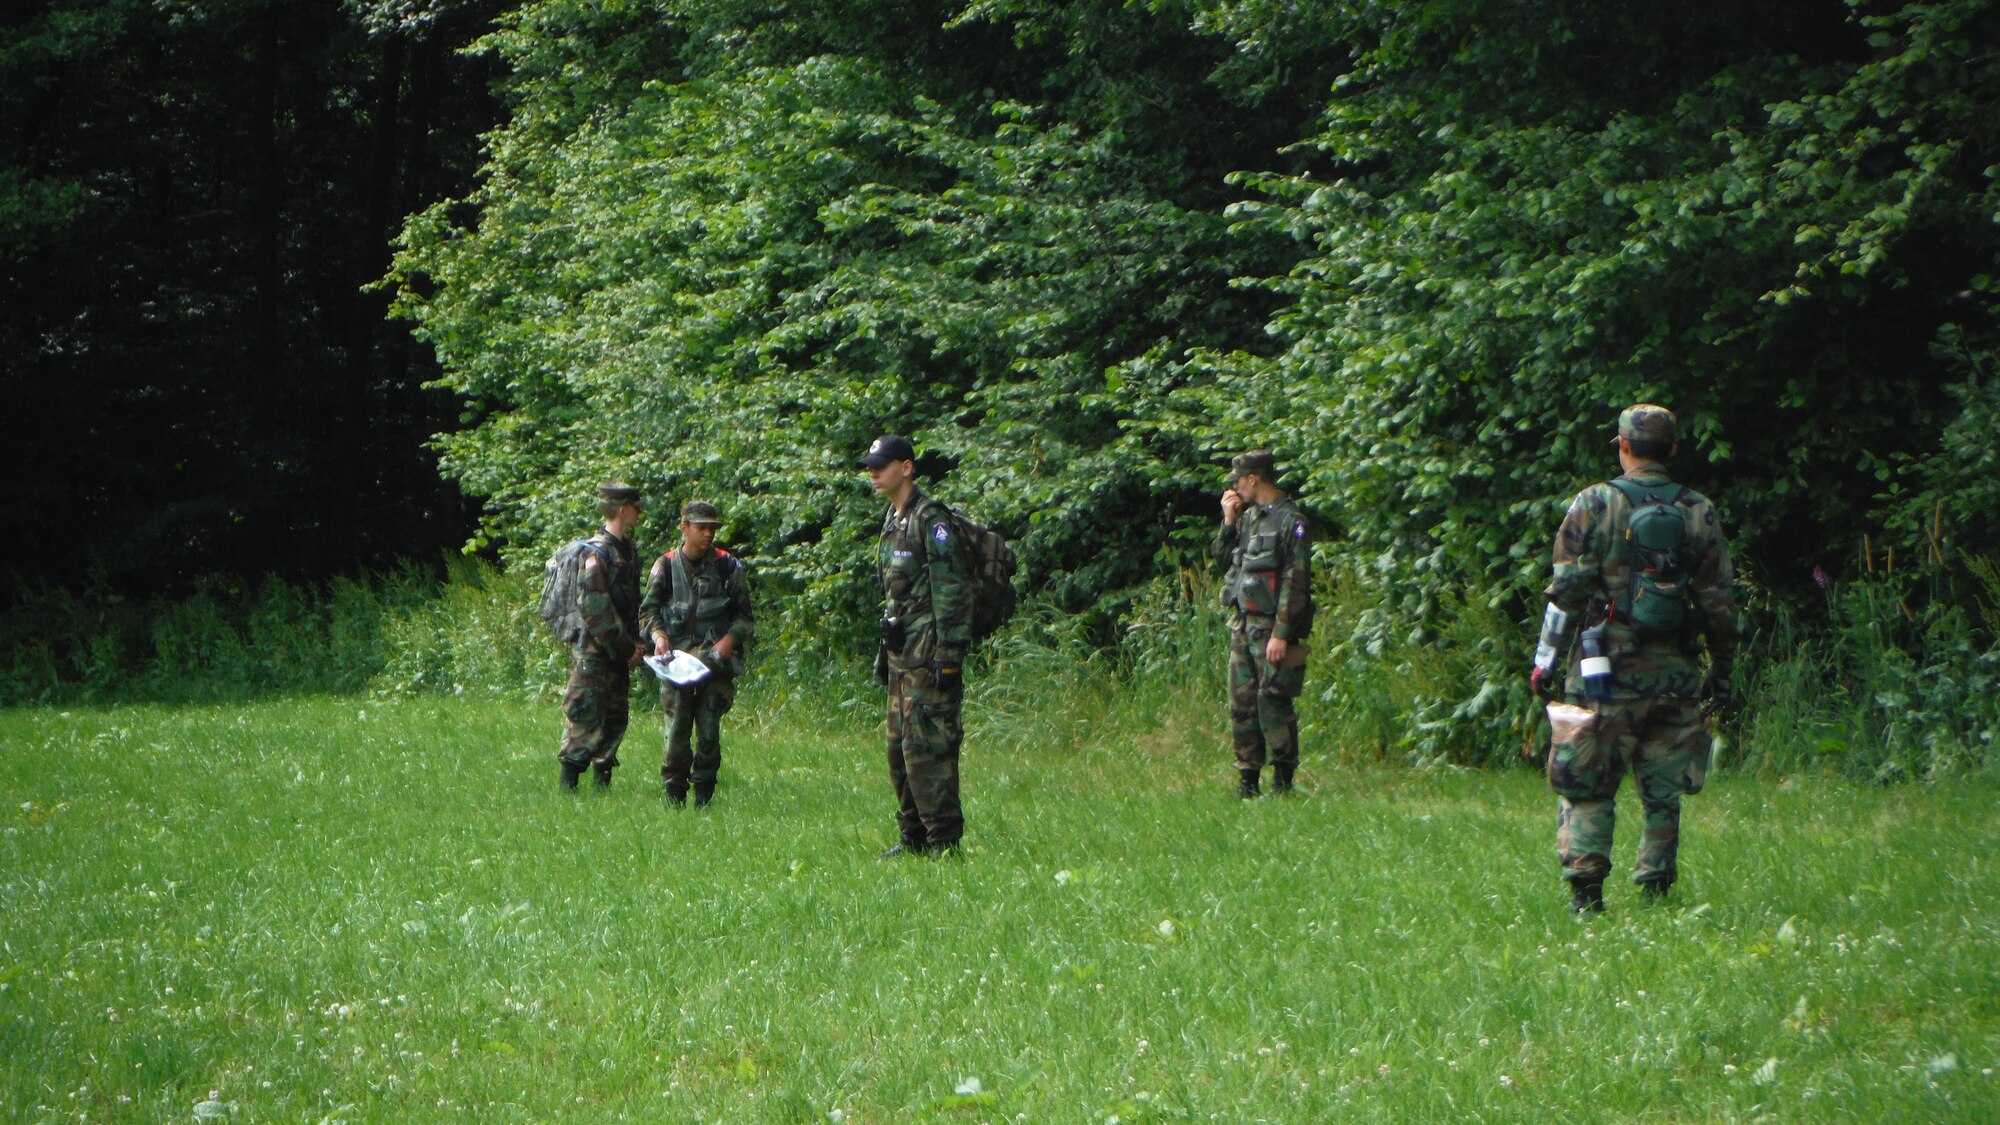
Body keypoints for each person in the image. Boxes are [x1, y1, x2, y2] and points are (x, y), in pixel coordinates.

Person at [1530, 404, 1737, 913]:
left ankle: (1587, 895)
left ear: (1623, 446)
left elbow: (1567, 593)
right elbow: (1719, 603)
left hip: (1604, 675)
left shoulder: (1594, 503)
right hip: (1675, 675)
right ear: (1670, 450)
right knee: (1663, 789)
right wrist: (1723, 671)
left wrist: (1546, 663)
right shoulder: (1698, 510)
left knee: (1589, 784)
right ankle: (1656, 886)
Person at [859, 435, 970, 856]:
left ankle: (944, 841)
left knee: (929, 747)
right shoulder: (893, 518)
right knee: (898, 748)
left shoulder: (931, 519)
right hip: (901, 655)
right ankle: (913, 837)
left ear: (906, 468)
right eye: (871, 465)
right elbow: (896, 595)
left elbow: (951, 588)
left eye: (882, 465)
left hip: (930, 655)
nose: (874, 472)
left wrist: (949, 654)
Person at [638, 500, 754, 807]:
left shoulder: (728, 566)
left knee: (709, 733)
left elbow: (744, 618)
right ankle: (673, 795)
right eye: (701, 528)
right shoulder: (665, 565)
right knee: (676, 733)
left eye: (712, 529)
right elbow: (648, 611)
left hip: (714, 665)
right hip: (676, 665)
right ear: (684, 528)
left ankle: (705, 795)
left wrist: (729, 641)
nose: (708, 535)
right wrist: (659, 636)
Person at [1213, 450, 1315, 798]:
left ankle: (1284, 782)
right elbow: (1222, 561)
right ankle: (1248, 782)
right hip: (1242, 624)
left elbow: (1296, 583)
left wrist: (1282, 634)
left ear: (1253, 479)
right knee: (1241, 703)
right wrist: (1228, 522)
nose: (1234, 488)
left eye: (1237, 481)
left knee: (1273, 700)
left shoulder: (1291, 521)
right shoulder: (1246, 519)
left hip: (1271, 626)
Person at [558, 482, 648, 790]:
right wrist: (626, 648)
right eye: (636, 508)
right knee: (584, 717)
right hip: (596, 653)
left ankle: (602, 785)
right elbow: (594, 608)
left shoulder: (628, 551)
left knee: (614, 717)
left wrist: (637, 644)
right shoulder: (595, 553)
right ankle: (568, 787)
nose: (639, 513)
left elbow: (633, 602)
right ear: (623, 510)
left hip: (619, 652)